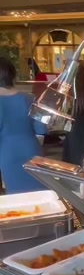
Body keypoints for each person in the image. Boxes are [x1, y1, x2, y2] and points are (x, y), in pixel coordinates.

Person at [0, 57, 45, 193]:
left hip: (8, 153)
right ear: (13, 75)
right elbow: (42, 129)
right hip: (32, 150)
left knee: (17, 197)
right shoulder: (29, 98)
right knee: (39, 193)